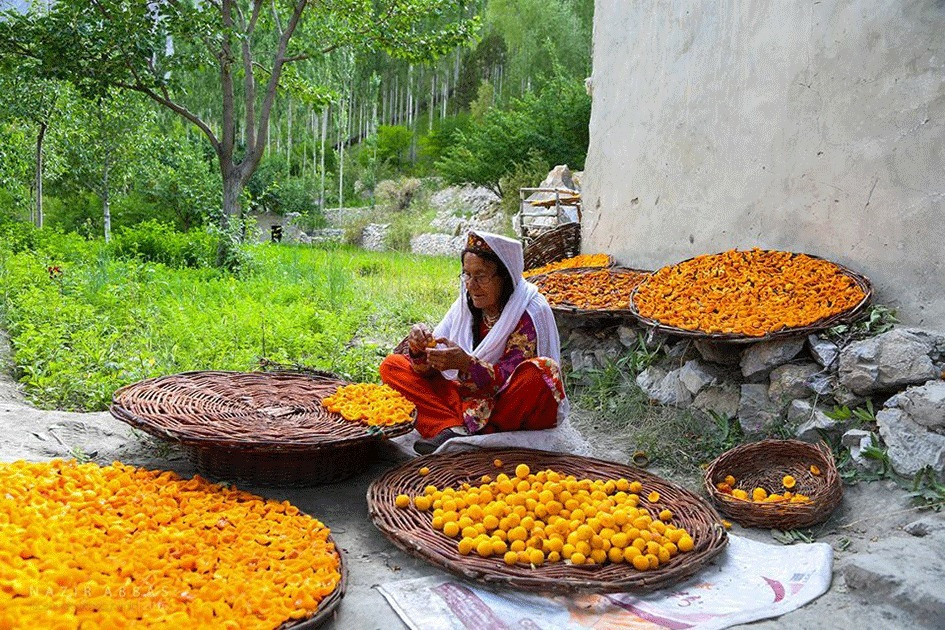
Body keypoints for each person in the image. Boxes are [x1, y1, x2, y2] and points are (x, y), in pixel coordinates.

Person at [379, 231, 567, 455]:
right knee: (393, 366)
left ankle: (472, 430)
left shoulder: (528, 311)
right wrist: (420, 347)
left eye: (481, 276)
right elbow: (429, 368)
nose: (471, 285)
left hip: (507, 402)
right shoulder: (466, 304)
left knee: (540, 372)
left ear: (505, 277)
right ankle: (449, 428)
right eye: (466, 275)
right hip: (467, 393)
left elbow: (506, 380)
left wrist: (467, 364)